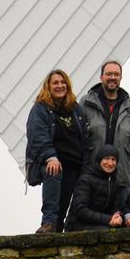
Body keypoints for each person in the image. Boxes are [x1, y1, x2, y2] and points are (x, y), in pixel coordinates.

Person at [26, 69, 90, 232]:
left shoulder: (76, 109)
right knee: (53, 177)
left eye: (63, 83)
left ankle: (57, 230)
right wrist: (50, 157)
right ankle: (47, 223)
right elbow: (38, 136)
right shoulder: (40, 109)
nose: (60, 86)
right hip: (52, 162)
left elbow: (84, 136)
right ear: (48, 86)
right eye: (55, 83)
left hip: (74, 163)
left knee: (65, 203)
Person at [81, 60, 130, 186]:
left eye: (116, 74)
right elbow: (76, 129)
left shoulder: (129, 104)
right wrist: (88, 130)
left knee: (121, 206)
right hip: (91, 170)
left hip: (120, 172)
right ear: (101, 77)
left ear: (120, 77)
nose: (112, 78)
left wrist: (129, 133)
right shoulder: (86, 101)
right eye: (109, 74)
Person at [65, 144, 127, 231]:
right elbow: (81, 210)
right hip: (77, 225)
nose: (110, 163)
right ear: (99, 160)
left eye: (113, 159)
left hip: (102, 223)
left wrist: (118, 217)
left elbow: (117, 208)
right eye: (106, 158)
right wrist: (108, 219)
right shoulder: (85, 180)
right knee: (109, 232)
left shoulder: (115, 184)